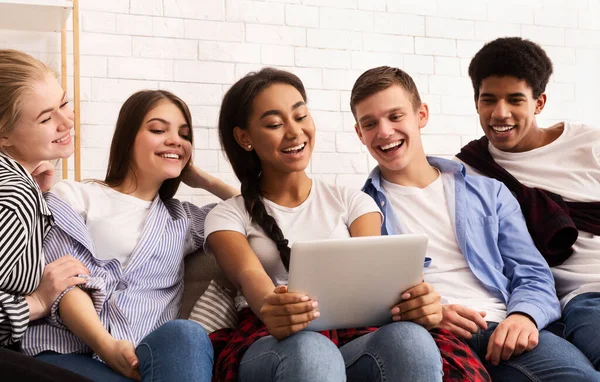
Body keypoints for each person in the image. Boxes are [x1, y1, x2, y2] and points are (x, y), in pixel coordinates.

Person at [352, 65, 600, 380]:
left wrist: (524, 316)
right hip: (429, 337)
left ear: (421, 115)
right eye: (370, 123)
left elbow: (533, 272)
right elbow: (365, 299)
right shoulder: (360, 210)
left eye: (395, 116)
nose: (385, 132)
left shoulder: (488, 192)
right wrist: (430, 313)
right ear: (359, 133)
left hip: (504, 326)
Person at [203, 68, 447, 381]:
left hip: (350, 338)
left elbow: (373, 278)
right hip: (268, 342)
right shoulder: (227, 217)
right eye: (275, 124)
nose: (294, 132)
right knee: (312, 349)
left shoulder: (354, 203)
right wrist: (272, 307)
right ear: (244, 138)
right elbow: (251, 279)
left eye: (300, 116)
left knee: (411, 341)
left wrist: (417, 301)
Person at [21, 89, 237, 381]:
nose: (175, 140)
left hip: (146, 360)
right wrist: (107, 346)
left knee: (186, 333)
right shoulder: (75, 196)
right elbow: (65, 283)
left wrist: (203, 179)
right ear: (128, 138)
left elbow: (260, 216)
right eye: (159, 129)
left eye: (184, 135)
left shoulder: (184, 219)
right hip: (68, 350)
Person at [456, 36, 600, 371]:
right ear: (476, 102)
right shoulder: (471, 171)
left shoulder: (590, 145)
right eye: (488, 100)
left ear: (539, 102)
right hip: (586, 296)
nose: (499, 113)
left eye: (515, 100)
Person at [0, 49, 93, 381]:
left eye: (64, 104)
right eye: (45, 118)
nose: (66, 121)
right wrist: (37, 301)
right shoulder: (14, 192)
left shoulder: (19, 186)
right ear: (4, 135)